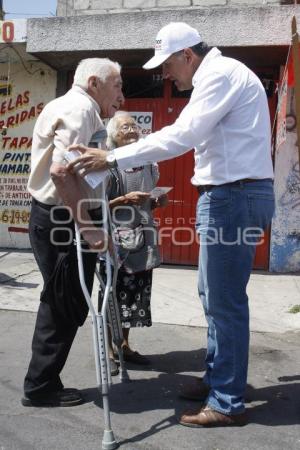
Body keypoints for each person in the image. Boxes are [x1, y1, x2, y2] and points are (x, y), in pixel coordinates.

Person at [67, 23, 275, 426]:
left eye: (167, 65)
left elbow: (184, 134)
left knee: (225, 302)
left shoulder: (219, 75)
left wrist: (110, 158)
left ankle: (227, 400)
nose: (165, 74)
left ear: (188, 56)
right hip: (230, 194)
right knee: (213, 294)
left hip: (233, 195)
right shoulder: (220, 75)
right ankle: (220, 378)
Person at [22, 58, 124, 407]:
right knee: (62, 303)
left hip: (58, 216)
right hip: (65, 221)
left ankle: (44, 379)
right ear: (95, 82)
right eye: (118, 86)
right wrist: (91, 229)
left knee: (62, 300)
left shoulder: (70, 106)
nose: (121, 97)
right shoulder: (81, 110)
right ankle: (40, 386)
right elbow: (62, 173)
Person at [98, 111, 167, 375]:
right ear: (113, 135)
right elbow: (96, 206)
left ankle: (124, 345)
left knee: (133, 297)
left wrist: (157, 201)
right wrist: (124, 199)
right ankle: (109, 350)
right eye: (125, 127)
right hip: (114, 241)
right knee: (111, 297)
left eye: (134, 126)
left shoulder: (149, 163)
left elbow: (148, 199)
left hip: (142, 238)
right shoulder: (108, 165)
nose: (132, 130)